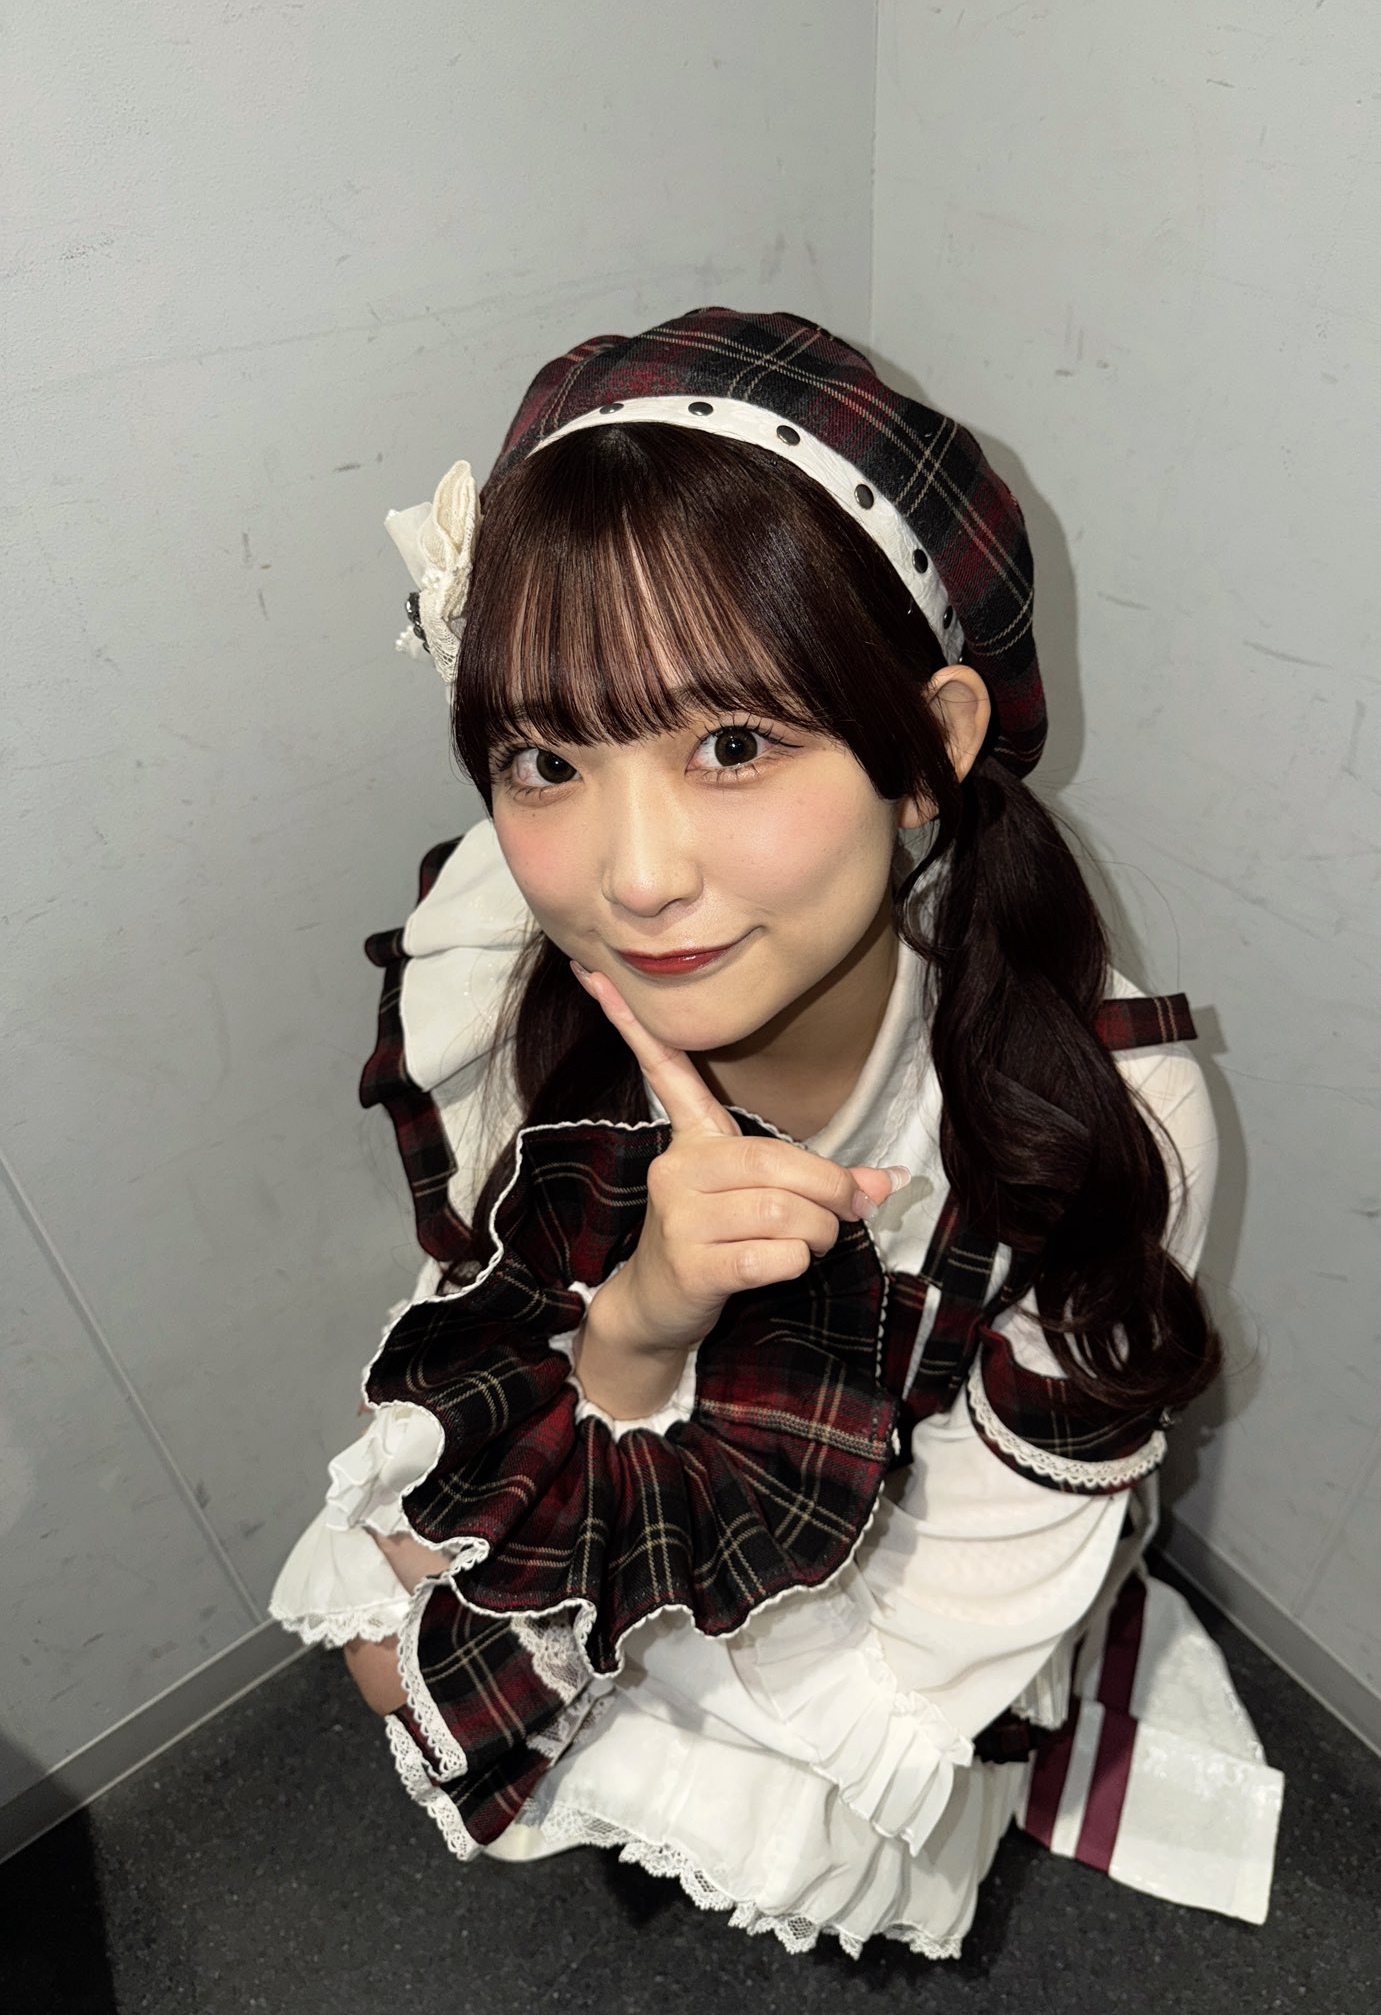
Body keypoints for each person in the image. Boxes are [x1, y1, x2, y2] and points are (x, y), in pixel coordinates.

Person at [270, 305, 1283, 1960]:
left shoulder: (1096, 1115)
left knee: (772, 1803)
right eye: (546, 759)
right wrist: (650, 1309)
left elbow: (956, 1598)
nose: (635, 877)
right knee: (393, 1638)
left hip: (896, 1564)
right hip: (626, 1451)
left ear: (930, 750)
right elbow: (506, 1352)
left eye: (732, 745)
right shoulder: (505, 957)